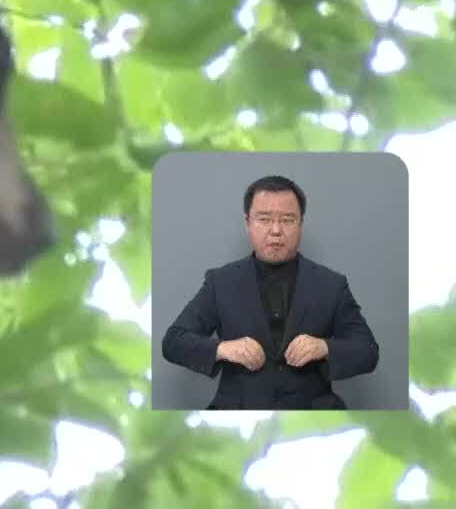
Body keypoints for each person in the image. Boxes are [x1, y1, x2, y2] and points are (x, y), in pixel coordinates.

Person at [160, 175, 378, 409]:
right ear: (248, 223)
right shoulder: (220, 282)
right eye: (264, 219)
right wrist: (223, 349)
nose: (276, 230)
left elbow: (367, 351)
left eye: (287, 220)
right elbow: (173, 342)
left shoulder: (331, 285)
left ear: (301, 224)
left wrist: (324, 348)